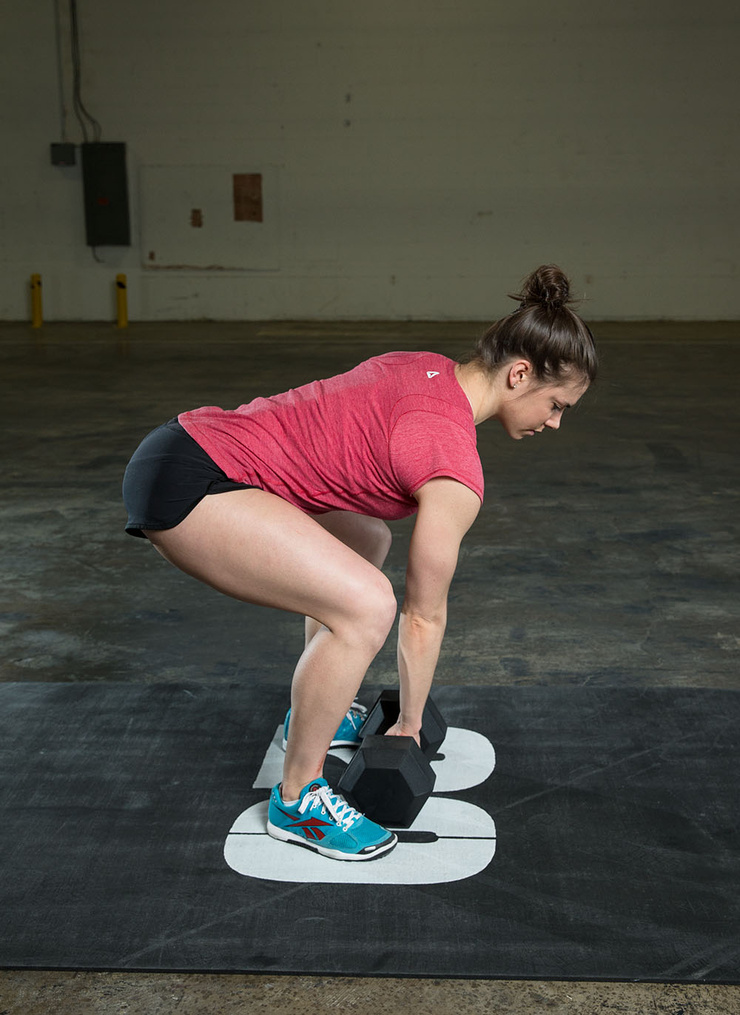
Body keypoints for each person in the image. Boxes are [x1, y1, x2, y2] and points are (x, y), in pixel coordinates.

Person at [122, 264, 597, 863]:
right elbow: (423, 616)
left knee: (367, 540)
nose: (554, 422)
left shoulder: (420, 367)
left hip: (179, 446)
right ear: (519, 374)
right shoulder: (452, 461)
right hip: (193, 487)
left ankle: (314, 710)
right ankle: (298, 800)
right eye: (556, 404)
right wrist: (409, 727)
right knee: (369, 605)